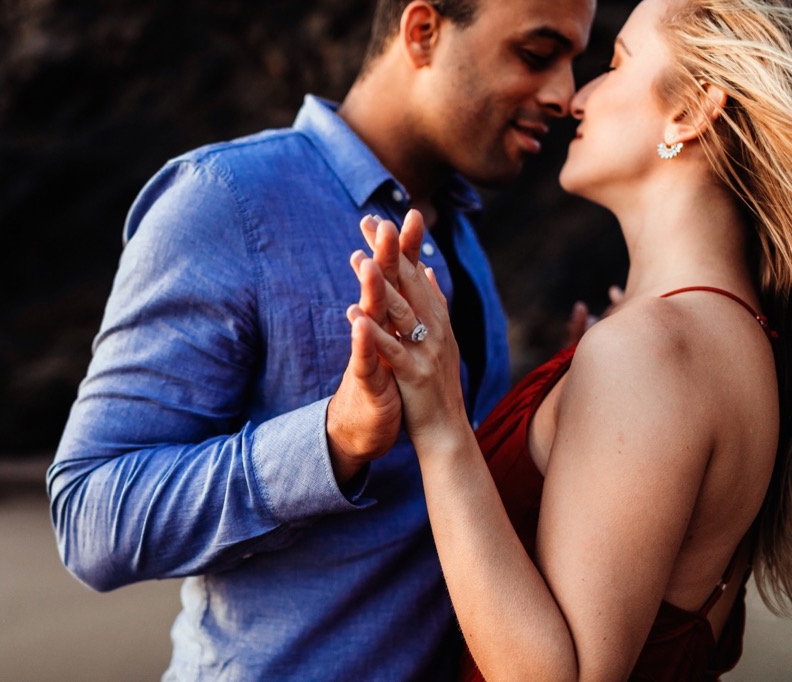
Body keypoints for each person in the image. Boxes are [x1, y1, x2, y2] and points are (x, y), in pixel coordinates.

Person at [47, 0, 594, 678]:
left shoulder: (461, 237)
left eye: (575, 62)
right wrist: (335, 439)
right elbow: (90, 519)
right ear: (423, 32)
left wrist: (565, 397)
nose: (565, 95)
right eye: (537, 55)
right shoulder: (226, 200)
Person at [347, 0, 792, 678]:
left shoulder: (655, 351)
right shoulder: (726, 338)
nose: (576, 98)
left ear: (690, 112)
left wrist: (438, 420)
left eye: (614, 64)